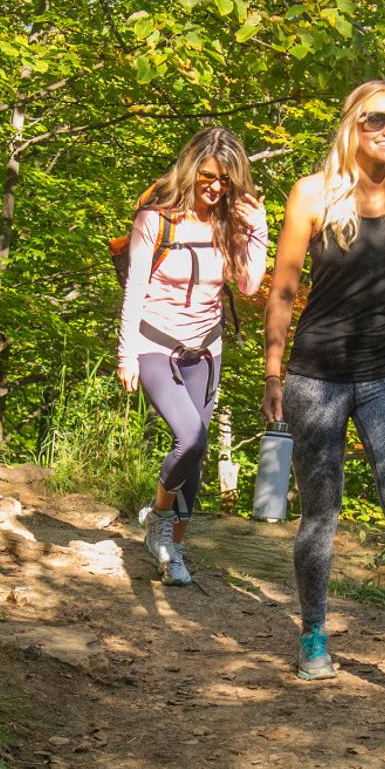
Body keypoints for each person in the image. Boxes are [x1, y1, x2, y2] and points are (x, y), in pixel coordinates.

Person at [262, 80, 385, 702]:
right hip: (315, 378)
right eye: (377, 120)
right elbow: (285, 291)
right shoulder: (312, 195)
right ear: (353, 123)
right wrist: (273, 373)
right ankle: (314, 638)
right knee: (322, 513)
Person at [119, 126, 270, 586]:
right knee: (192, 437)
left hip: (206, 350)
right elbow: (134, 289)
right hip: (155, 345)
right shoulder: (155, 220)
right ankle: (158, 519)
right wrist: (126, 353)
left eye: (224, 180)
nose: (215, 187)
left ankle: (173, 552)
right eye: (207, 176)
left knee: (197, 457)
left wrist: (257, 231)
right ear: (191, 170)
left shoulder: (229, 224)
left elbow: (247, 286)